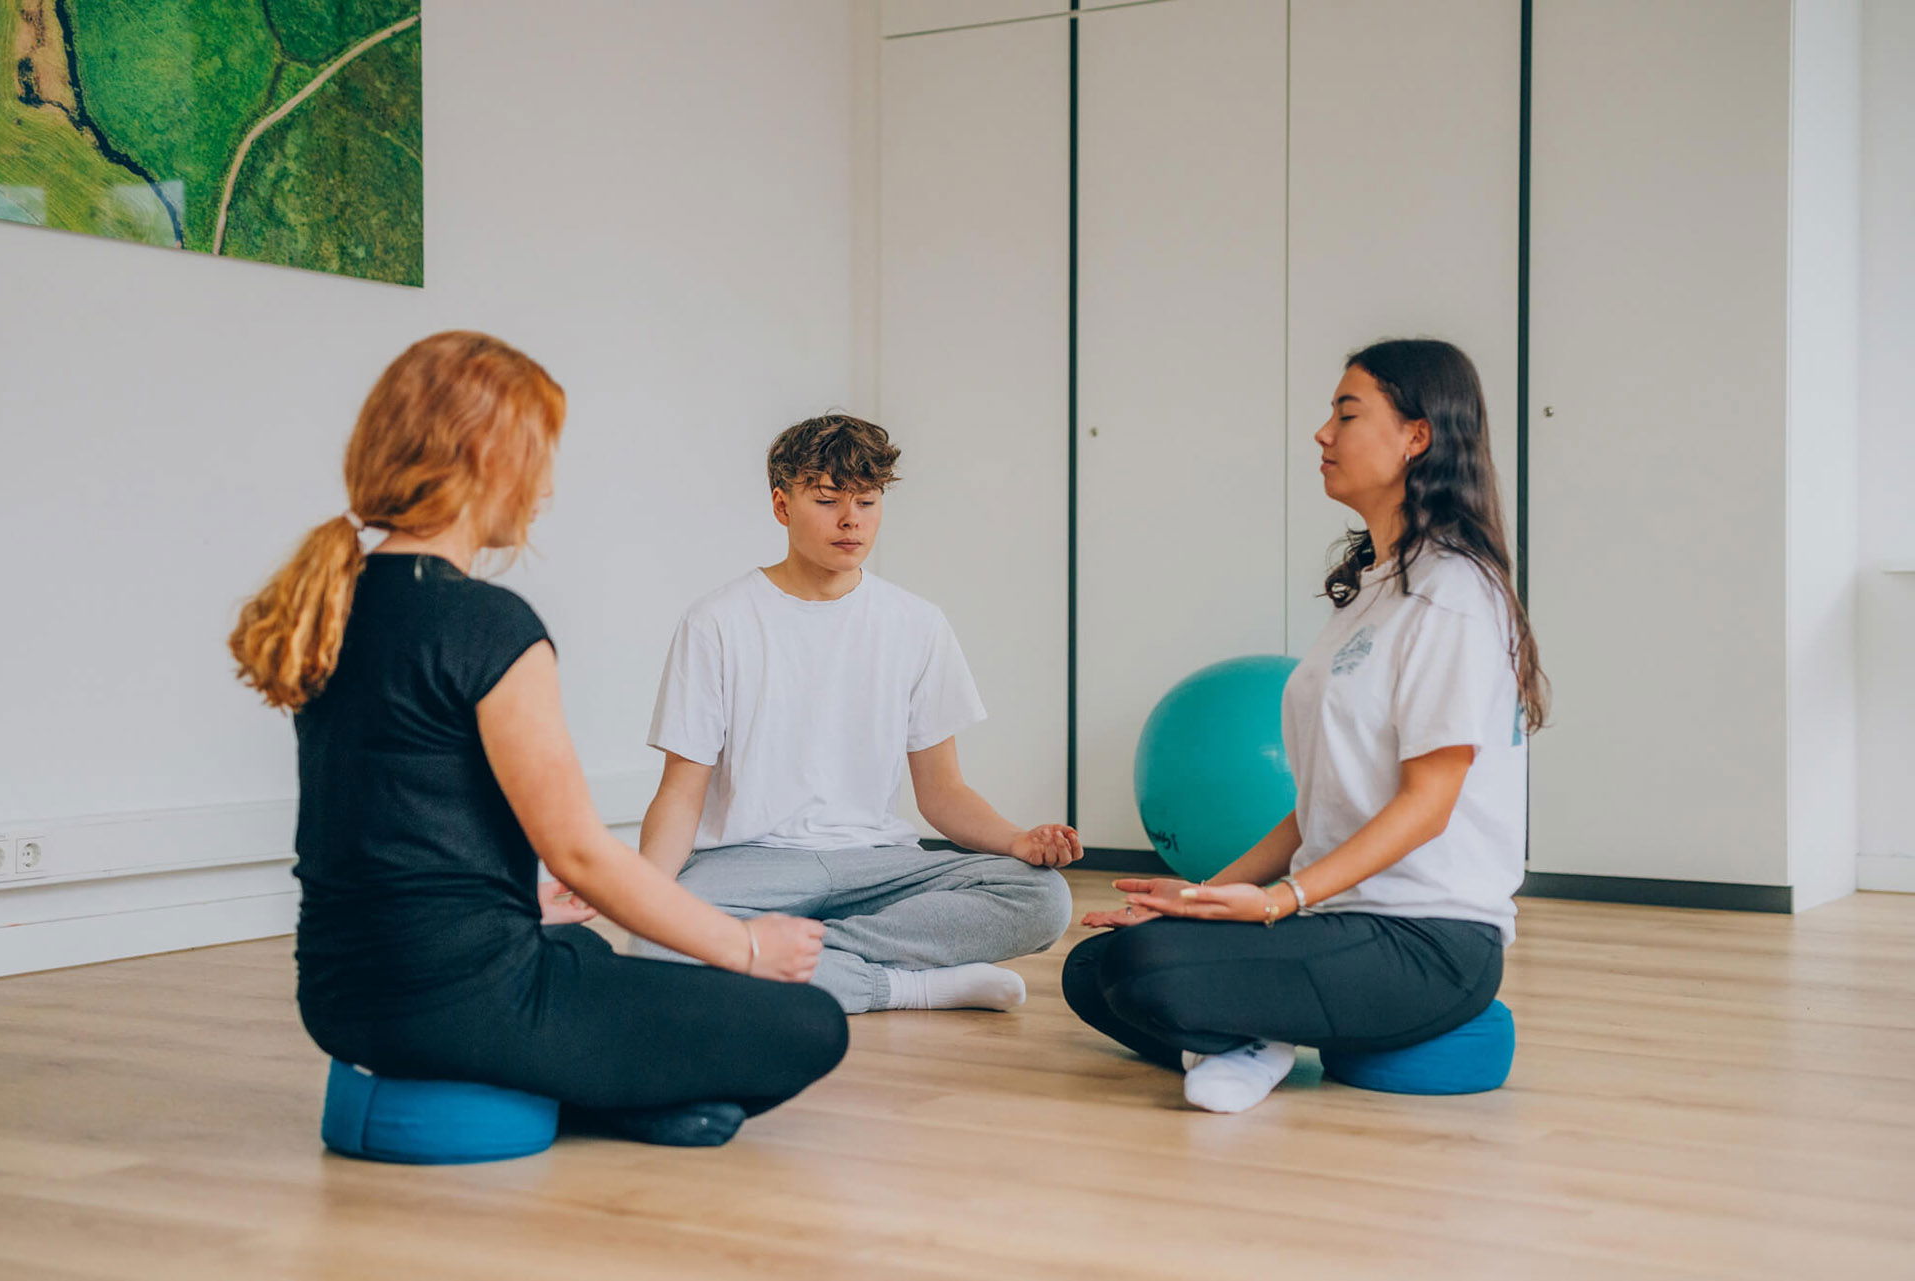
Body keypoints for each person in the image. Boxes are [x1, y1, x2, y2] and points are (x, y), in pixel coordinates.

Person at [230, 332, 847, 1148]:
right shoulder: (488, 623)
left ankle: (615, 1092)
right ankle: (591, 1094)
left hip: (340, 999)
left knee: (580, 948)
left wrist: (523, 893)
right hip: (459, 1000)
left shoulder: (335, 604)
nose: (547, 484)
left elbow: (401, 813)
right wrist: (745, 944)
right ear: (488, 456)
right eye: (539, 455)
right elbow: (582, 853)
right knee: (809, 1021)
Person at [1062, 338, 1548, 1114]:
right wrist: (1198, 895)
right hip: (1340, 919)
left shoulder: (1453, 595)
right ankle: (1250, 1030)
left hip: (1428, 943)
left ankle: (1250, 1033)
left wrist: (1281, 900)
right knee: (1096, 966)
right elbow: (1321, 804)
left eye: (1346, 414)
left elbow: (1429, 802)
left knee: (1146, 971)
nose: (1323, 433)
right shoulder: (1375, 592)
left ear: (1416, 436)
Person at [626, 414, 1079, 1014]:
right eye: (827, 499)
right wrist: (643, 899)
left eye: (867, 501)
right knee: (653, 944)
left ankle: (773, 956)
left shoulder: (918, 624)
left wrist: (1018, 840)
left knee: (1041, 898)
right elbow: (682, 793)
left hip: (876, 865)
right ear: (782, 505)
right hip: (748, 867)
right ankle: (905, 985)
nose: (851, 520)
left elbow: (942, 794)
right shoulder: (717, 622)